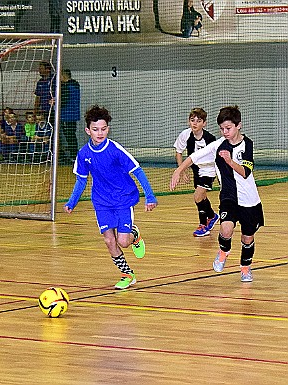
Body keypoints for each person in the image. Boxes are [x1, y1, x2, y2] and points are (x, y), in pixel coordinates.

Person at [64, 105, 158, 289]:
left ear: (108, 128)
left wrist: (150, 196)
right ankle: (127, 274)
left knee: (123, 241)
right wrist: (71, 202)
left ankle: (134, 235)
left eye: (104, 129)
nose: (100, 133)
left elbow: (137, 171)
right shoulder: (84, 154)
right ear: (87, 130)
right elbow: (81, 180)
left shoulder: (115, 150)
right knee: (109, 241)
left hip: (123, 199)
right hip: (101, 202)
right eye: (95, 129)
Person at [170, 106, 264, 282]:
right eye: (222, 129)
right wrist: (179, 170)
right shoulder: (218, 145)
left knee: (247, 237)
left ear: (238, 126)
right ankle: (223, 251)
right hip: (229, 196)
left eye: (228, 128)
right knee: (226, 228)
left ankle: (245, 268)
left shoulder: (247, 144)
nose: (225, 132)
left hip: (249, 200)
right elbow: (194, 157)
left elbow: (245, 172)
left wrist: (229, 160)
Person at [173, 107, 219, 237]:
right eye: (192, 120)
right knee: (202, 196)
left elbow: (217, 157)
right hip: (196, 169)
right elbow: (179, 151)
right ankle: (212, 215)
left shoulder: (210, 139)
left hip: (209, 170)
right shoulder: (185, 135)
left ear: (204, 123)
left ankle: (203, 225)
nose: (195, 123)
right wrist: (182, 171)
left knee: (197, 196)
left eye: (198, 121)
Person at [60, 69, 81, 163]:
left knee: (69, 135)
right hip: (74, 114)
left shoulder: (65, 87)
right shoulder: (75, 85)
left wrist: (56, 102)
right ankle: (74, 155)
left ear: (64, 76)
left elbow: (63, 101)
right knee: (71, 135)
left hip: (66, 115)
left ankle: (73, 156)